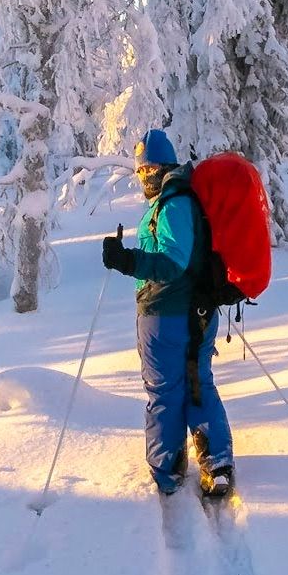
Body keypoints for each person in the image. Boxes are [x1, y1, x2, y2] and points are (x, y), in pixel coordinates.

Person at [101, 129, 234, 500]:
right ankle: (216, 464)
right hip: (191, 312)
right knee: (195, 384)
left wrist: (127, 260)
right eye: (140, 171)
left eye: (151, 168)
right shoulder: (174, 200)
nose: (145, 176)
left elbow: (173, 261)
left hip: (168, 314)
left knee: (166, 391)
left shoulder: (173, 203)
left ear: (167, 165)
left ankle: (168, 469)